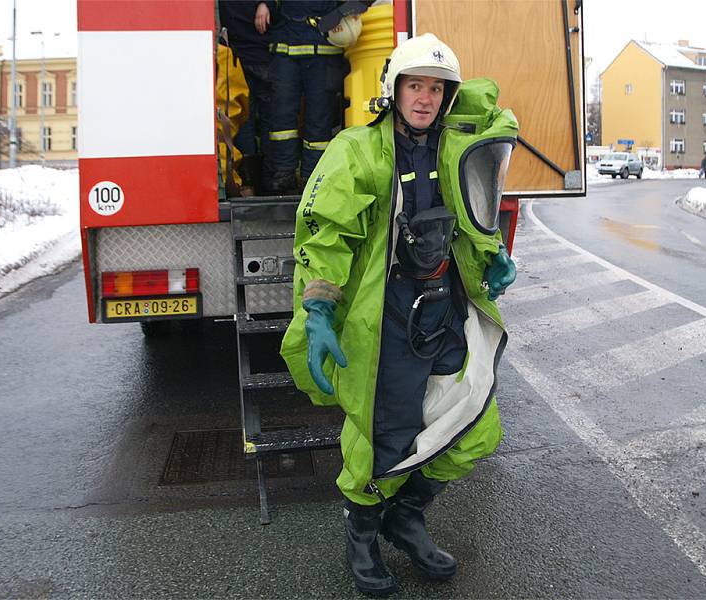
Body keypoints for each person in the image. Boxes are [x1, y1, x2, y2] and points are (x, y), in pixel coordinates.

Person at [280, 34, 519, 595]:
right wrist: (317, 307)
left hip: (445, 308)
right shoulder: (358, 152)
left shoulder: (456, 149)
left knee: (474, 424)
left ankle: (405, 515)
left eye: (436, 89)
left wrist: (496, 256)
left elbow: (474, 212)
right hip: (384, 315)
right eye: (416, 85)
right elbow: (324, 234)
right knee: (381, 434)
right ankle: (361, 532)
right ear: (394, 89)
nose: (425, 98)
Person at [262, 1, 350, 194]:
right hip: (286, 47)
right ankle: (284, 173)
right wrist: (264, 4)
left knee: (319, 120)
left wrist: (344, 12)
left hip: (324, 51)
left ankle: (313, 176)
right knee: (282, 118)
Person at [218, 0, 273, 194]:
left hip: (249, 56)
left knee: (248, 121)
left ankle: (253, 184)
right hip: (248, 55)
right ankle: (257, 183)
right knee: (251, 122)